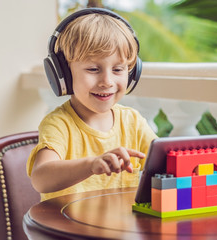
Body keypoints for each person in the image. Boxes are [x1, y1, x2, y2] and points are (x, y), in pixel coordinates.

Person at [26, 8, 157, 202]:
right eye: (93, 69)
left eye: (118, 69)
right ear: (64, 75)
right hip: (70, 230)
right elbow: (41, 178)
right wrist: (90, 165)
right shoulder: (59, 124)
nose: (107, 81)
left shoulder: (133, 122)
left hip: (120, 229)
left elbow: (164, 163)